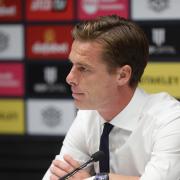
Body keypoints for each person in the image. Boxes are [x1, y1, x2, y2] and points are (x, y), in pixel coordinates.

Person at [42, 15, 180, 180]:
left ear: (122, 75)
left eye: (83, 68)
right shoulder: (88, 114)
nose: (69, 78)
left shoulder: (170, 120)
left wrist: (95, 179)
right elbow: (55, 176)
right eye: (73, 65)